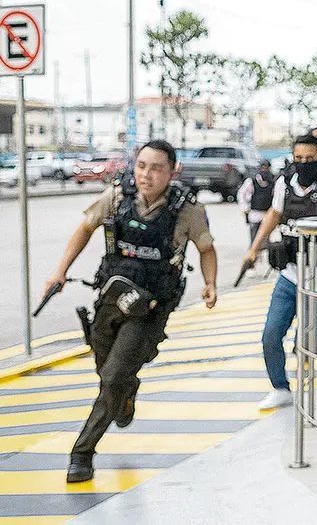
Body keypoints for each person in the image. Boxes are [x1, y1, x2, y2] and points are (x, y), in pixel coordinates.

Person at [44, 140, 218, 483]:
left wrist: (210, 283)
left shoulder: (187, 210)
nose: (146, 175)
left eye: (156, 169)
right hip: (111, 300)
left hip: (150, 308)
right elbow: (84, 229)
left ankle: (82, 453)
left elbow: (206, 248)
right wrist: (60, 270)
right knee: (107, 369)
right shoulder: (117, 196)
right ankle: (127, 391)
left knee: (112, 377)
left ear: (172, 171)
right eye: (141, 166)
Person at [243, 134, 317, 410]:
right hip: (291, 273)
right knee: (271, 334)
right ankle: (280, 388)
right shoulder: (285, 182)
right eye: (298, 159)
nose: (303, 164)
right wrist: (254, 248)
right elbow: (274, 213)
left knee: (307, 341)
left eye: (310, 159)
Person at [237, 160, 275, 250]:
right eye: (263, 168)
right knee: (254, 239)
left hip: (267, 214)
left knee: (265, 240)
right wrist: (244, 208)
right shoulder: (251, 181)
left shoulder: (272, 182)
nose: (265, 170)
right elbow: (241, 194)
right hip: (254, 214)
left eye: (267, 168)